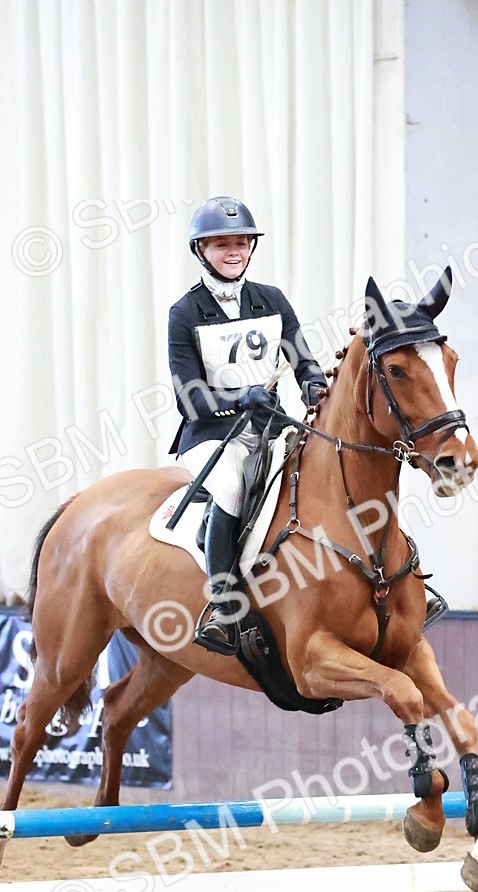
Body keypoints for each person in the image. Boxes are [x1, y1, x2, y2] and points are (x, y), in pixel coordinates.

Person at [168, 195, 327, 656]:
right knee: (233, 486)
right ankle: (222, 606)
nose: (234, 252)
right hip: (213, 434)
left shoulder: (271, 300)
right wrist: (237, 397)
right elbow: (188, 396)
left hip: (271, 424)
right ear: (201, 250)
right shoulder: (185, 312)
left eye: (241, 243)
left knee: (332, 468)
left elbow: (302, 360)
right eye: (222, 245)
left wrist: (315, 388)